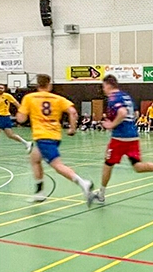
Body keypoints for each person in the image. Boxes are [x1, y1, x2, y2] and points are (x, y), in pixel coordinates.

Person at [96, 75, 153, 203]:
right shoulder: (126, 96)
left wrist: (112, 124)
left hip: (119, 138)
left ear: (108, 85)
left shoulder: (113, 98)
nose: (103, 90)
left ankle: (101, 194)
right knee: (137, 166)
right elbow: (135, 114)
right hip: (133, 136)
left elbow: (122, 113)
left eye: (103, 86)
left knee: (108, 164)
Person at [15, 74, 95, 204]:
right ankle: (39, 192)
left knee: (57, 165)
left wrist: (22, 111)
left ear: (37, 85)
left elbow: (21, 119)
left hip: (43, 136)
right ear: (49, 85)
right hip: (55, 135)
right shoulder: (57, 98)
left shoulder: (30, 98)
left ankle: (83, 183)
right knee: (35, 159)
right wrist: (72, 128)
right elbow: (73, 112)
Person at [0, 84, 32, 157]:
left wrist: (22, 111)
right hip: (3, 117)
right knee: (10, 135)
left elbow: (16, 103)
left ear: (4, 89)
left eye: (2, 88)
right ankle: (27, 143)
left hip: (3, 116)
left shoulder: (7, 96)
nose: (0, 89)